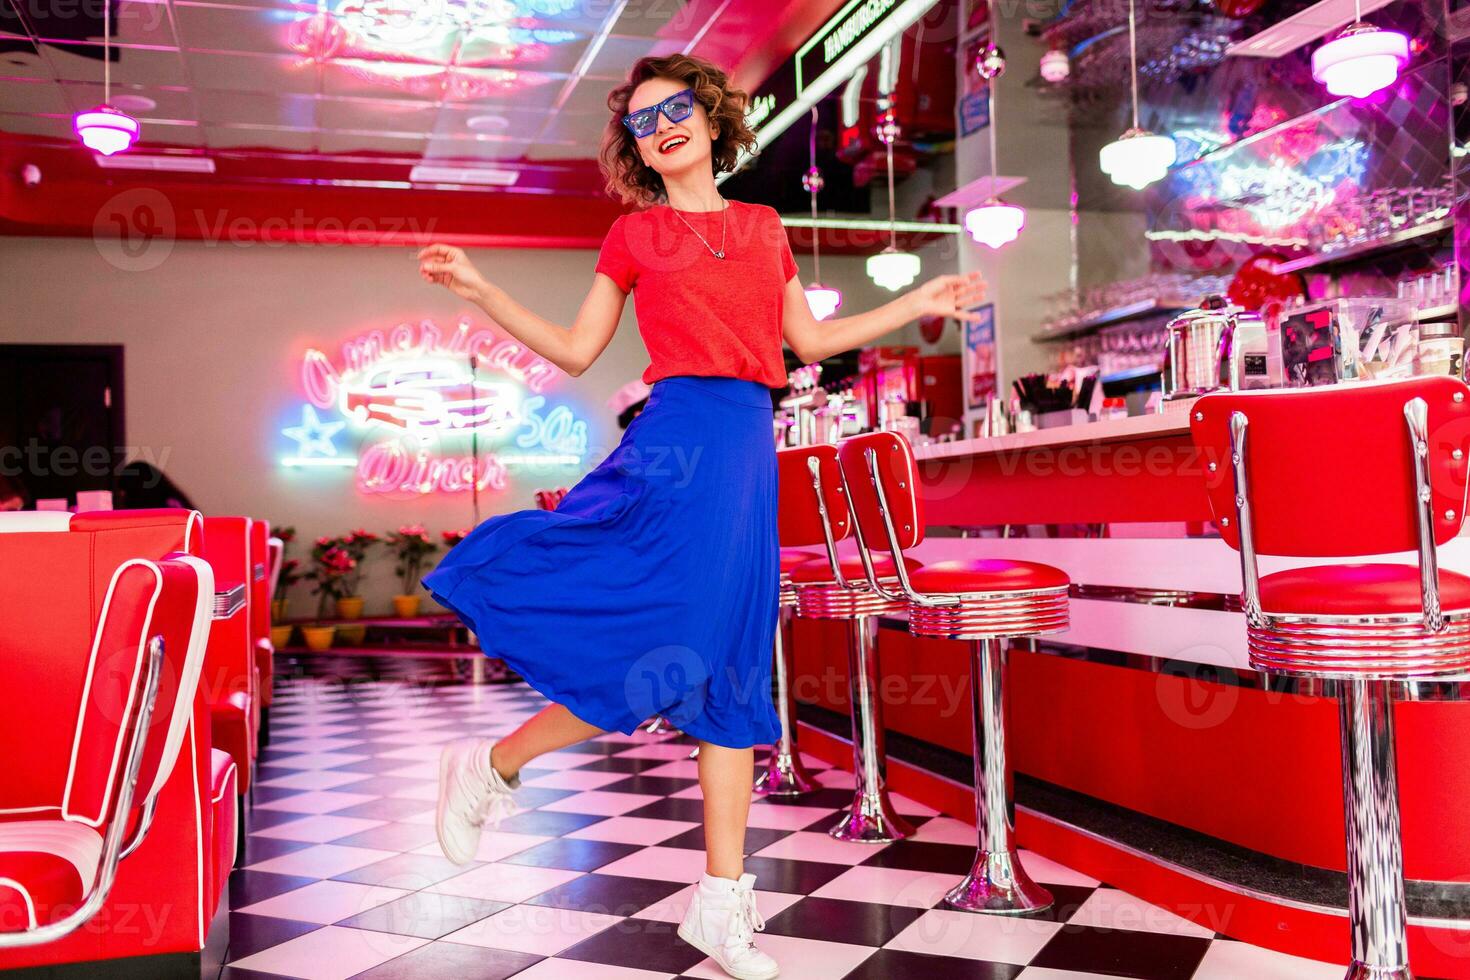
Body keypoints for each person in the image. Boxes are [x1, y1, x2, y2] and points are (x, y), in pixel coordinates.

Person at [416, 53, 986, 980]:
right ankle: (494, 764)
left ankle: (722, 908)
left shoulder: (763, 228)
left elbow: (806, 342)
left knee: (729, 666)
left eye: (677, 108)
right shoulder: (634, 236)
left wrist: (918, 300)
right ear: (637, 149)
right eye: (644, 121)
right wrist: (480, 290)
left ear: (713, 120)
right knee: (667, 647)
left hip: (746, 446)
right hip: (680, 443)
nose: (663, 125)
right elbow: (574, 348)